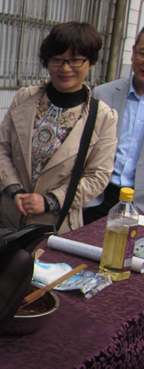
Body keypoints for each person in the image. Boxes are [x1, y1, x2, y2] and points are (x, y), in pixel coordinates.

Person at [0, 22, 118, 235]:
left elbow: (97, 176)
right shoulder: (25, 98)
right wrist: (14, 190)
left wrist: (50, 201)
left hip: (55, 226)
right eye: (57, 60)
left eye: (75, 60)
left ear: (90, 62)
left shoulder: (102, 117)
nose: (65, 68)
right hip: (6, 218)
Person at [83, 26, 144, 223]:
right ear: (133, 52)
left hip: (140, 203)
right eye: (143, 53)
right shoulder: (103, 94)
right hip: (99, 197)